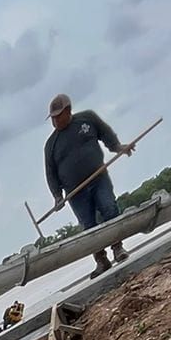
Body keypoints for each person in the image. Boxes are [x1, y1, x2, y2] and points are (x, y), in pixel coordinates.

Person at [44, 93, 135, 277]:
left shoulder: (87, 119)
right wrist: (57, 196)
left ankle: (117, 248)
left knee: (109, 209)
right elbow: (51, 173)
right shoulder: (51, 145)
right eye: (52, 118)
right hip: (75, 193)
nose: (55, 121)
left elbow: (106, 134)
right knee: (89, 226)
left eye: (57, 116)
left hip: (98, 177)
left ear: (68, 111)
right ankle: (101, 260)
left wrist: (118, 147)